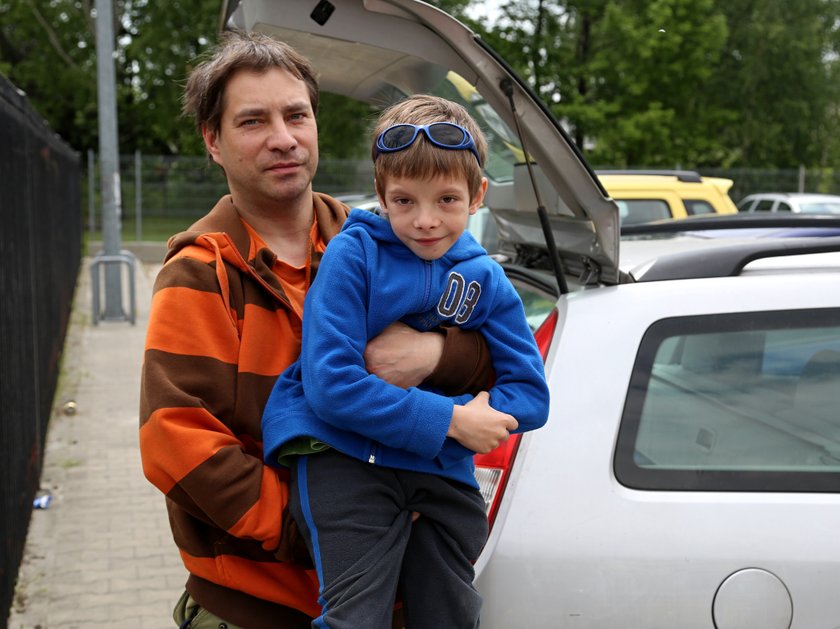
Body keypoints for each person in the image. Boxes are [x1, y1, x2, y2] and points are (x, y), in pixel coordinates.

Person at [139, 31, 497, 629]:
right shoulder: (201, 275)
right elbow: (175, 444)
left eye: (296, 114)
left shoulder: (387, 239)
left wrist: (435, 352)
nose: (282, 138)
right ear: (213, 141)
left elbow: (494, 348)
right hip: (261, 610)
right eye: (252, 121)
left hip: (399, 599)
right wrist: (325, 519)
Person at [261, 94, 551, 628]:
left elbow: (530, 394)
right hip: (344, 459)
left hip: (439, 468)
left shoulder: (485, 277)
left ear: (478, 195)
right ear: (380, 195)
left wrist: (471, 414)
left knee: (451, 613)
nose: (424, 221)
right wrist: (452, 420)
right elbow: (330, 386)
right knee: (357, 619)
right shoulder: (355, 254)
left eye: (446, 200)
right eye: (404, 201)